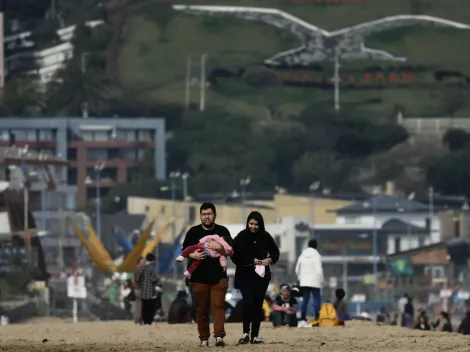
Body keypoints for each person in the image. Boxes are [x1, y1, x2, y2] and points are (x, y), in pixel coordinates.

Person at [181, 203, 233, 347]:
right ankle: (204, 338)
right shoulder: (193, 232)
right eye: (204, 214)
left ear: (214, 215)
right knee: (201, 310)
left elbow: (231, 251)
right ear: (200, 216)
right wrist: (193, 255)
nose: (207, 217)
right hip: (199, 278)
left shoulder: (223, 231)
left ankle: (219, 337)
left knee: (218, 307)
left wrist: (219, 248)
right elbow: (184, 251)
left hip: (219, 277)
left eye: (209, 214)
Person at [231, 211, 280, 344]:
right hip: (245, 275)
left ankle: (255, 335)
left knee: (258, 305)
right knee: (248, 302)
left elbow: (275, 251)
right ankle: (245, 333)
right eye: (251, 224)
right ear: (248, 223)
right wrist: (251, 260)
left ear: (260, 225)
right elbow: (233, 254)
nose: (253, 227)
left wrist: (269, 260)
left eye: (256, 224)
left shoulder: (265, 236)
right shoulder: (241, 236)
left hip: (261, 276)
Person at [295, 239, 323, 325]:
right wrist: (321, 281)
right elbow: (319, 270)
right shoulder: (317, 256)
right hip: (315, 281)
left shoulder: (302, 255)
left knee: (305, 300)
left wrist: (300, 278)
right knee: (316, 300)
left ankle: (303, 317)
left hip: (304, 281)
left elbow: (297, 270)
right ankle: (316, 317)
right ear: (316, 246)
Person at [135, 253, 159, 325]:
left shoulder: (142, 268)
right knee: (150, 307)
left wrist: (141, 283)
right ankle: (148, 321)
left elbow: (137, 278)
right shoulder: (151, 268)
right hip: (150, 292)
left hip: (143, 291)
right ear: (152, 260)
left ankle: (143, 320)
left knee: (144, 307)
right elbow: (155, 279)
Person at [132, 257, 144, 324]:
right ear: (139, 262)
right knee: (140, 304)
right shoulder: (138, 269)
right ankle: (138, 318)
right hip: (139, 288)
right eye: (143, 261)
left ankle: (138, 318)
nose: (144, 262)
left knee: (139, 304)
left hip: (140, 288)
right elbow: (134, 279)